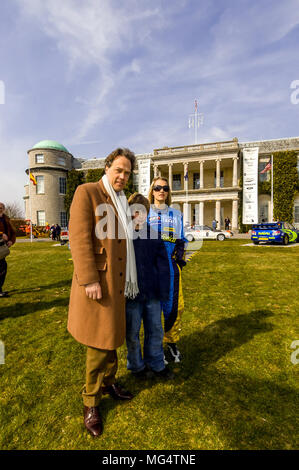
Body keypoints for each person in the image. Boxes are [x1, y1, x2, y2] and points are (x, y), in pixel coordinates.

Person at [67, 148, 137, 438]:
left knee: (112, 339)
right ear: (107, 168)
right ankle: (91, 402)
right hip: (99, 282)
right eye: (119, 170)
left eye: (127, 173)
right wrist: (89, 280)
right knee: (98, 344)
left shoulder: (122, 200)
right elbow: (80, 238)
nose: (122, 176)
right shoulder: (88, 192)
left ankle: (109, 384)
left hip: (118, 283)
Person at [126, 193, 173, 380]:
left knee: (155, 330)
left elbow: (163, 266)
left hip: (153, 293)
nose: (139, 215)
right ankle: (136, 366)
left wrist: (163, 290)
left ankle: (156, 363)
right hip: (131, 295)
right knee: (132, 332)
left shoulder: (154, 235)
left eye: (143, 212)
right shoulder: (123, 236)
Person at [147, 177, 187, 364]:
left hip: (170, 267)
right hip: (151, 267)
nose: (161, 191)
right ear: (152, 191)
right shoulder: (144, 212)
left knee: (174, 306)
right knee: (153, 308)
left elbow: (181, 239)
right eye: (157, 188)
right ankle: (155, 346)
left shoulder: (176, 214)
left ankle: (171, 343)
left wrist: (179, 256)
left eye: (165, 188)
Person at [0, 202, 16, 298]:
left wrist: (11, 241)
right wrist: (1, 234)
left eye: (2, 207)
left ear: (4, 209)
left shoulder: (6, 219)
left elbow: (13, 232)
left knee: (3, 268)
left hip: (3, 248)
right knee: (2, 267)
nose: (0, 209)